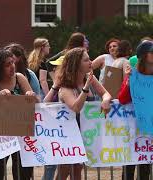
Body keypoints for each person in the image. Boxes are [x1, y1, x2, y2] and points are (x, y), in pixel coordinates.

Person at [56, 48, 112, 180]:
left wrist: (105, 100)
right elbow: (76, 107)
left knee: (77, 168)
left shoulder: (89, 78)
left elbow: (105, 93)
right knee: (64, 171)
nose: (90, 62)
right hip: (68, 134)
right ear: (76, 64)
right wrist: (86, 88)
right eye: (86, 60)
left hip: (84, 132)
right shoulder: (65, 87)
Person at [0, 49, 38, 180]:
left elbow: (36, 100)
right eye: (7, 64)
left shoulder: (20, 77)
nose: (12, 66)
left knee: (23, 171)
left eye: (13, 62)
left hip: (22, 131)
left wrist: (31, 96)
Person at [118, 41, 153, 180]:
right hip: (132, 129)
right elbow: (122, 99)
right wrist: (128, 80)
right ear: (144, 56)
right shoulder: (132, 74)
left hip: (148, 130)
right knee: (129, 165)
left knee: (145, 167)